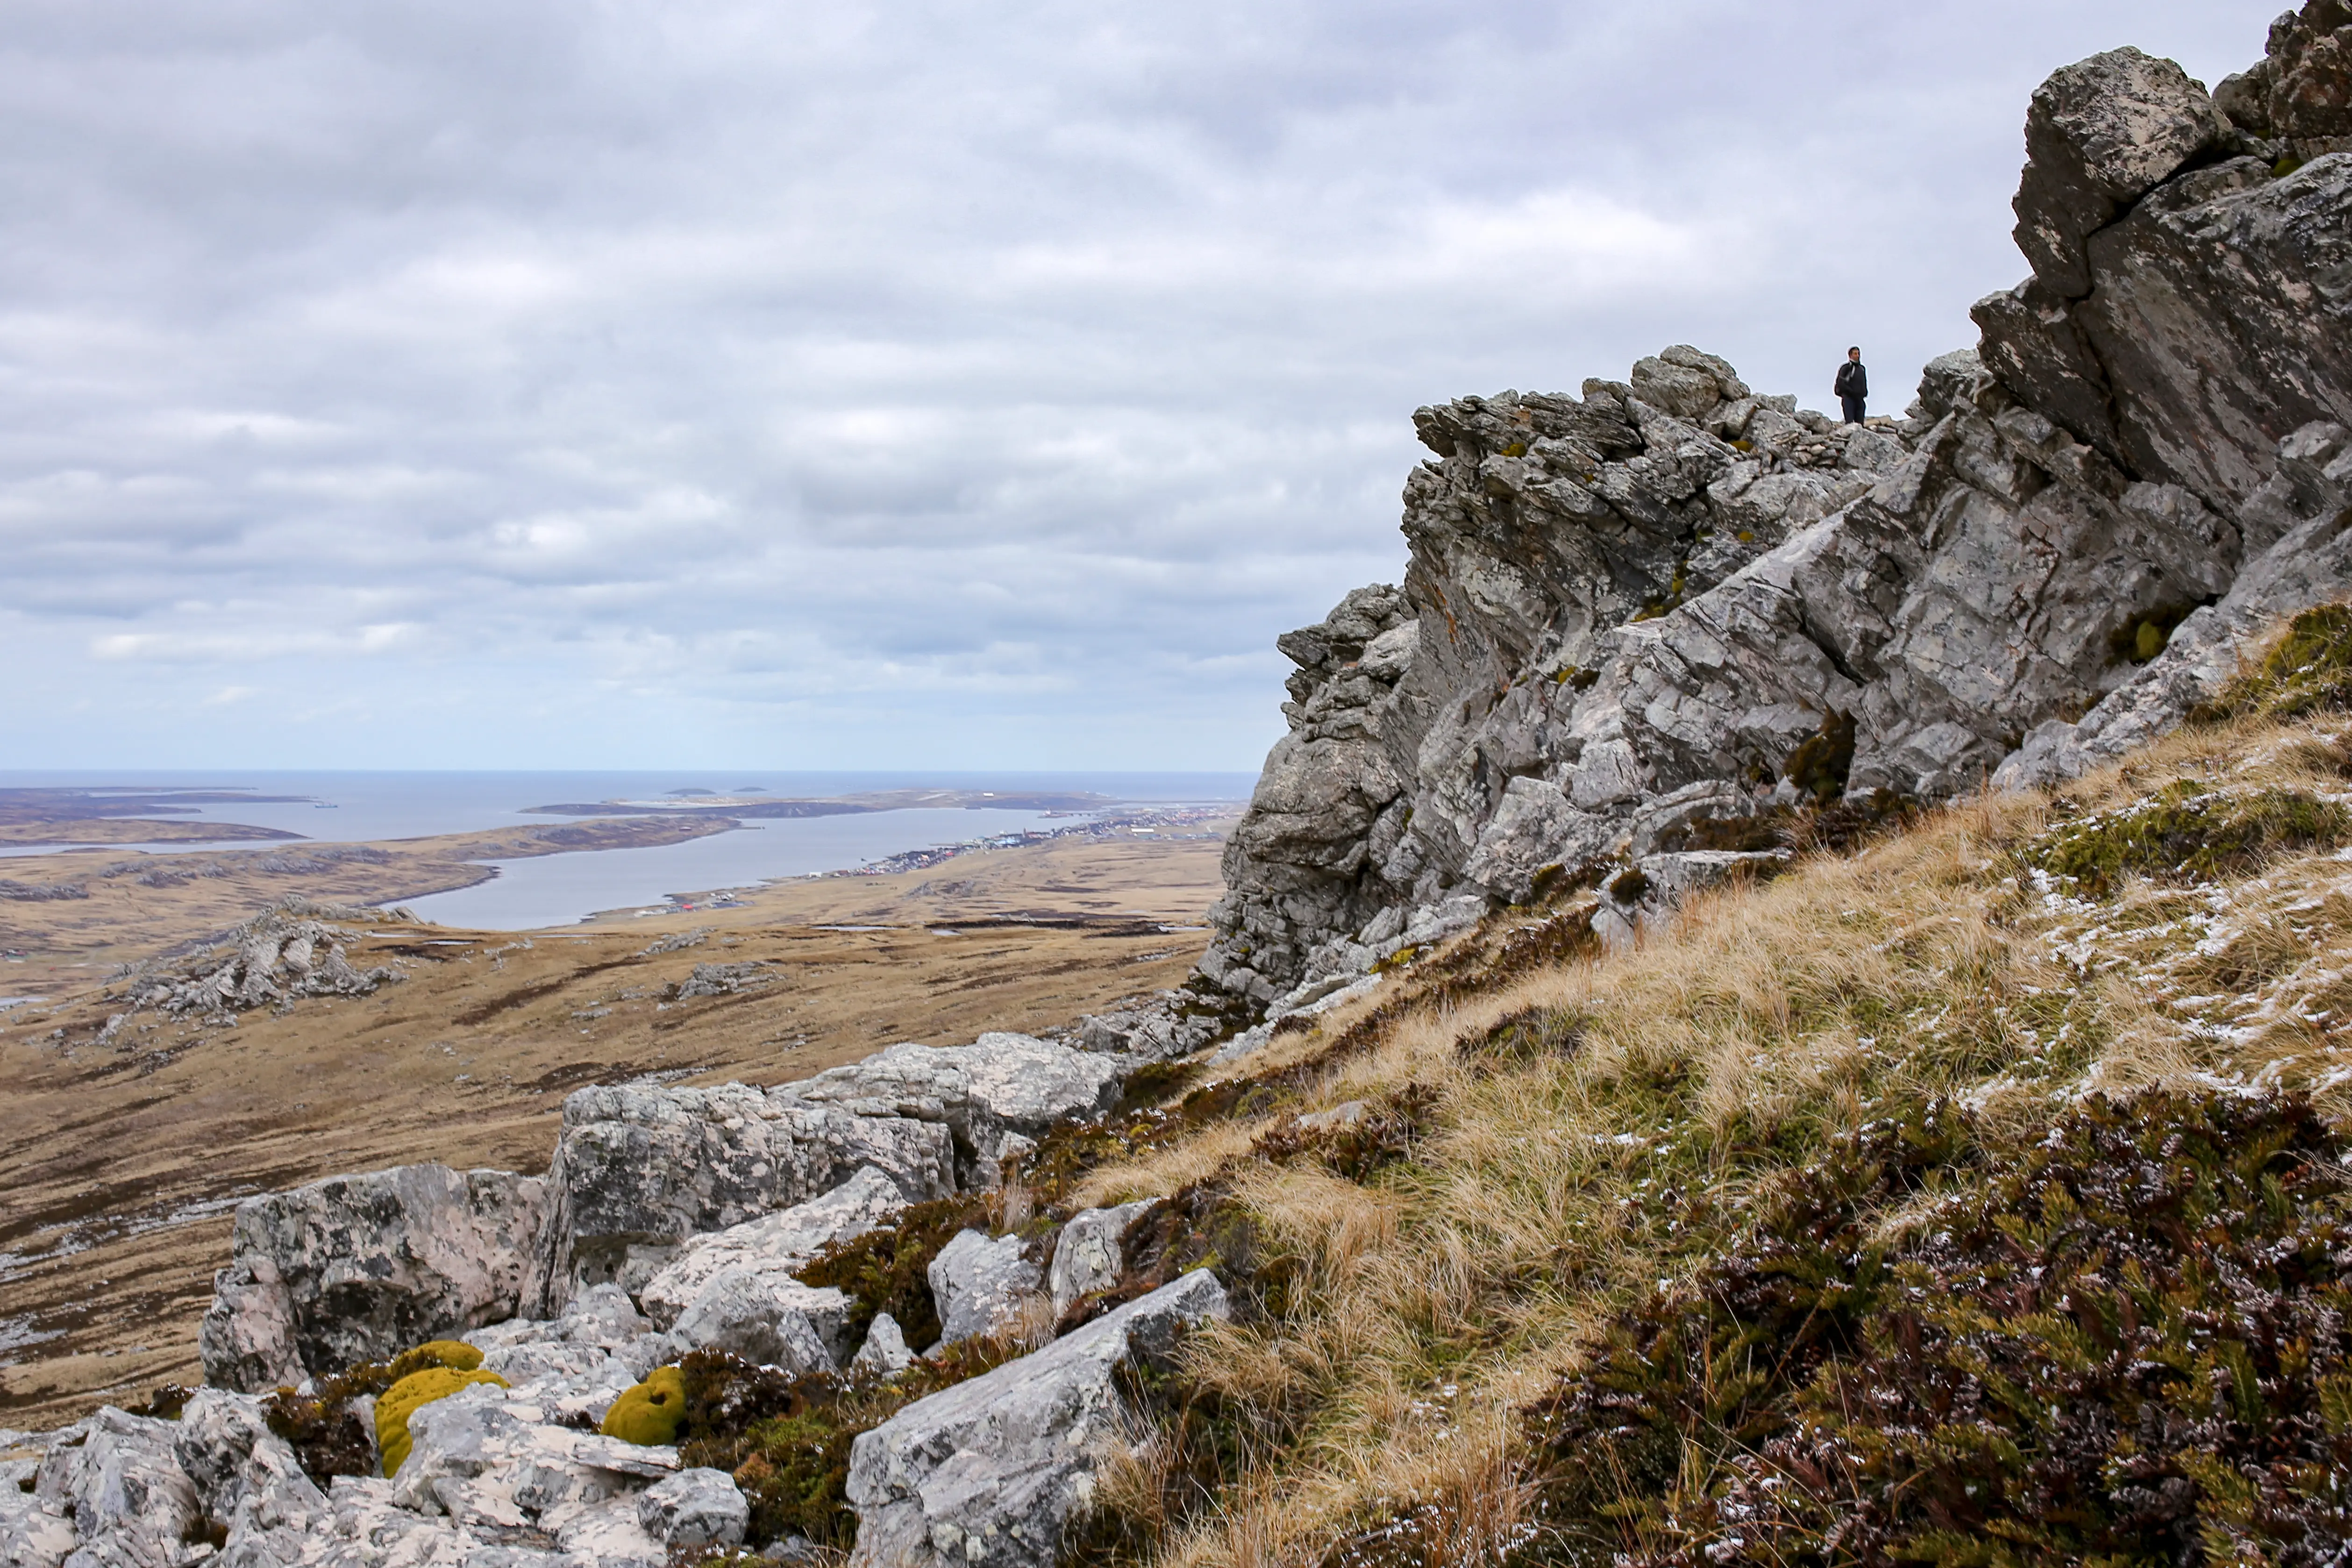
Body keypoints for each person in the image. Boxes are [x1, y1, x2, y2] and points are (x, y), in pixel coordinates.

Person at [1834, 347, 1868, 425]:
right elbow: (1840, 383)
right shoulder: (1846, 368)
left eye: (1859, 354)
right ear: (1850, 356)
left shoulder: (1862, 368)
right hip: (1848, 398)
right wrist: (1851, 392)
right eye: (1855, 354)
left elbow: (1864, 382)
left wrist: (1865, 393)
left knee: (1860, 424)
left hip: (1860, 399)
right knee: (1850, 422)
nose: (1858, 356)